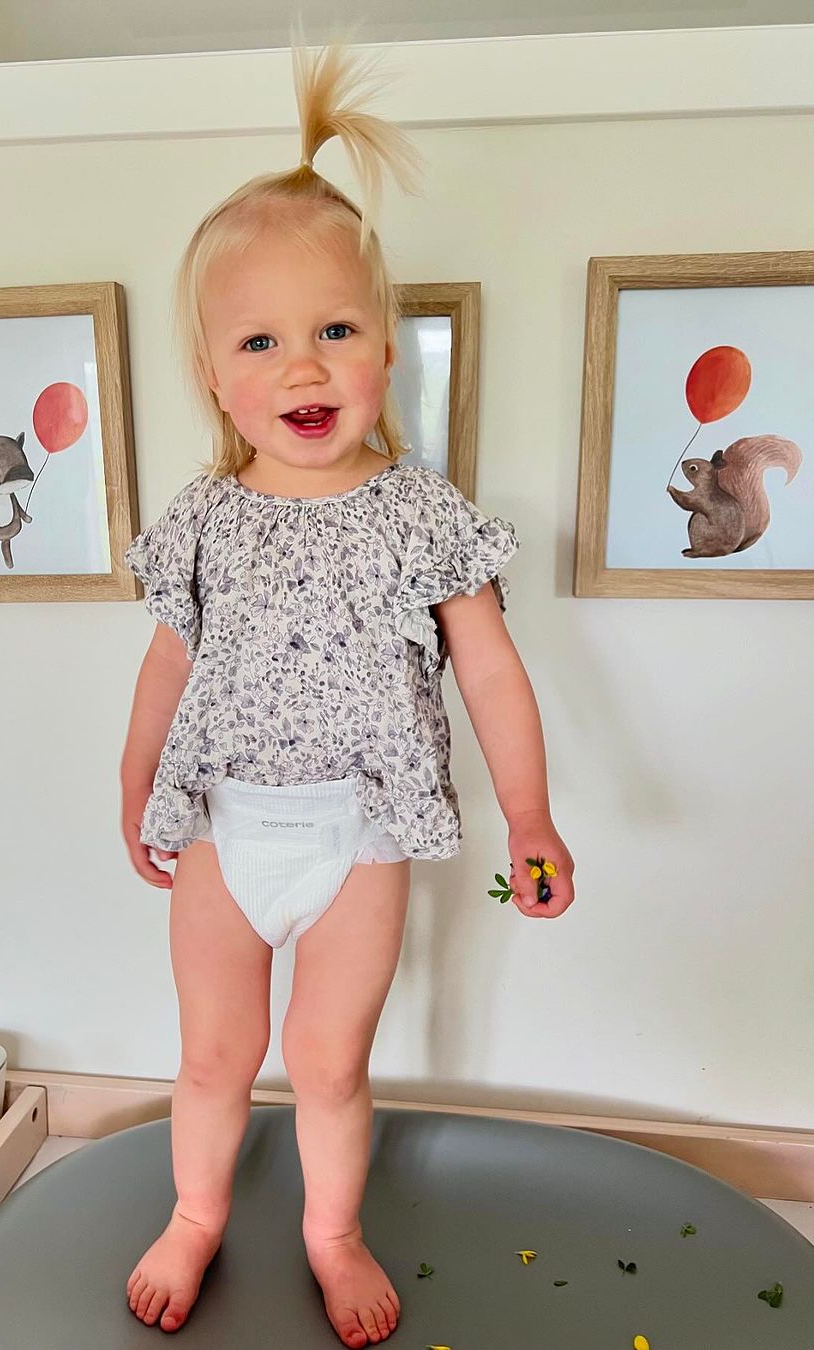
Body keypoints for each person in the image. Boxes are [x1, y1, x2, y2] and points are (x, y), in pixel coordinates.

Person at [120, 34, 576, 1349]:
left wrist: (531, 815)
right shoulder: (206, 516)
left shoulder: (419, 510)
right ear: (214, 375)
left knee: (327, 1063)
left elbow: (489, 667)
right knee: (213, 1056)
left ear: (386, 345)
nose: (304, 368)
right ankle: (196, 1210)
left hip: (361, 833)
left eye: (335, 331)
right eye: (261, 341)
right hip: (223, 826)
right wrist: (136, 783)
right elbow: (168, 660)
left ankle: (331, 1230)